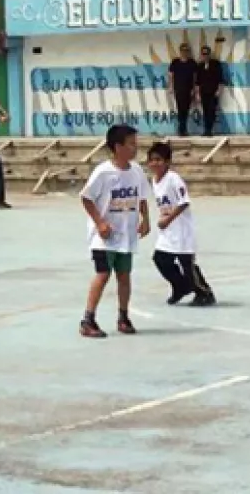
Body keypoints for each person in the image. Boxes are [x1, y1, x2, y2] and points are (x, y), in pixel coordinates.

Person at [78, 124, 150, 338]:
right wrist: (100, 223)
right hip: (105, 238)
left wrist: (145, 219)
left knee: (124, 276)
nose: (135, 148)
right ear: (117, 147)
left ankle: (123, 316)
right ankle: (88, 319)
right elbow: (86, 198)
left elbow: (142, 197)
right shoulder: (103, 172)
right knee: (103, 274)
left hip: (125, 235)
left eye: (136, 144)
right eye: (131, 144)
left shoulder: (136, 171)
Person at [146, 142, 215, 306]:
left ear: (168, 162)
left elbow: (184, 202)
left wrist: (168, 219)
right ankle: (180, 286)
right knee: (160, 259)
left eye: (159, 159)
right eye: (152, 160)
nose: (155, 163)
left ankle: (204, 292)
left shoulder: (173, 179)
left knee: (187, 264)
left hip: (181, 229)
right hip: (168, 230)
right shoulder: (155, 181)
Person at [195, 44, 225, 138]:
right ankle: (206, 130)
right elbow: (197, 82)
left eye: (206, 54)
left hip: (213, 92)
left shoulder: (216, 64)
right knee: (205, 111)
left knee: (211, 111)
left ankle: (210, 130)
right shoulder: (200, 66)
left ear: (209, 54)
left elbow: (220, 79)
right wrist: (198, 94)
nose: (205, 56)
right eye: (203, 54)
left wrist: (219, 90)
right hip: (204, 92)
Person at [168, 42, 197, 137]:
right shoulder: (175, 62)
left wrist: (194, 89)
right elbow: (171, 76)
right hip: (178, 89)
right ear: (180, 51)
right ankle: (182, 129)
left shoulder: (192, 63)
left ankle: (183, 129)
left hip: (188, 90)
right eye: (183, 51)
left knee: (186, 109)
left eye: (186, 51)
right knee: (180, 109)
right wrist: (171, 86)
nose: (184, 53)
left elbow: (194, 77)